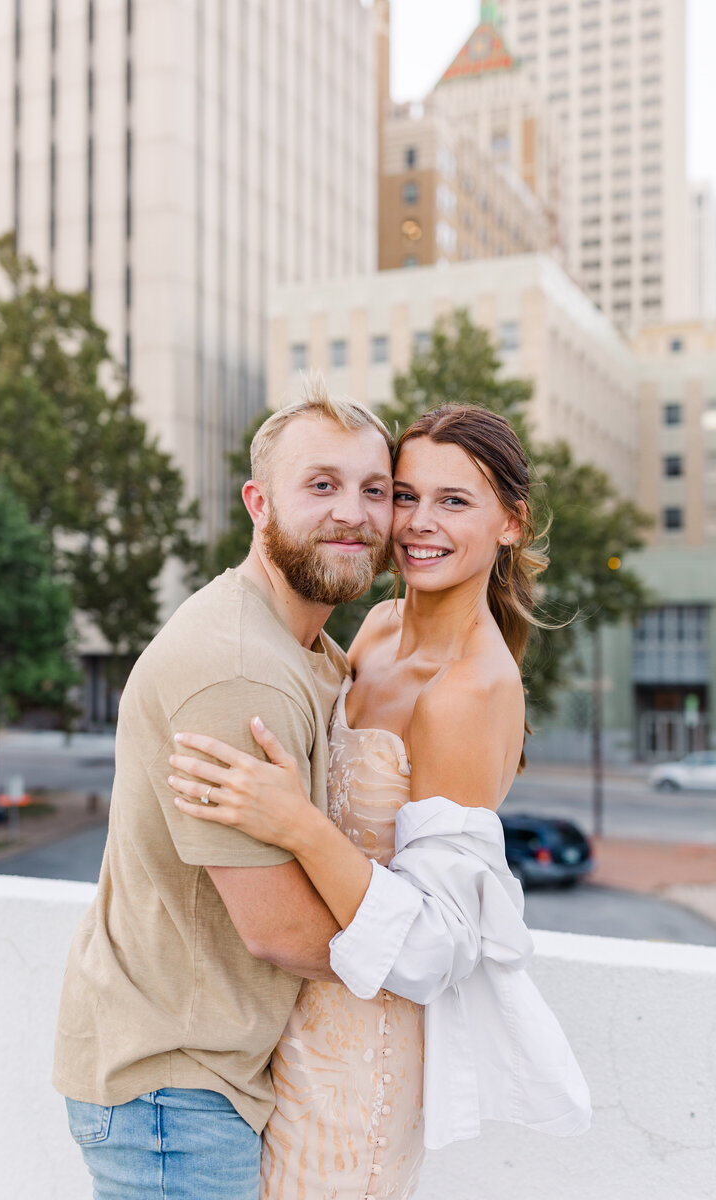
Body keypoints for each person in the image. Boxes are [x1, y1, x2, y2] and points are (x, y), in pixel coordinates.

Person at [169, 404, 592, 1199]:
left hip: (364, 1051)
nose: (417, 524)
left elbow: (434, 947)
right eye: (404, 496)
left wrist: (293, 819)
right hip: (288, 1026)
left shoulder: (468, 690)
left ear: (510, 522)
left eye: (454, 502)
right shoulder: (379, 629)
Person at [52, 377, 396, 1200]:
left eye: (374, 490)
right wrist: (421, 953)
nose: (353, 512)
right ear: (259, 504)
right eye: (321, 485)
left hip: (195, 1081)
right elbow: (282, 932)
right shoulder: (238, 670)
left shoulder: (303, 647)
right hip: (175, 1097)